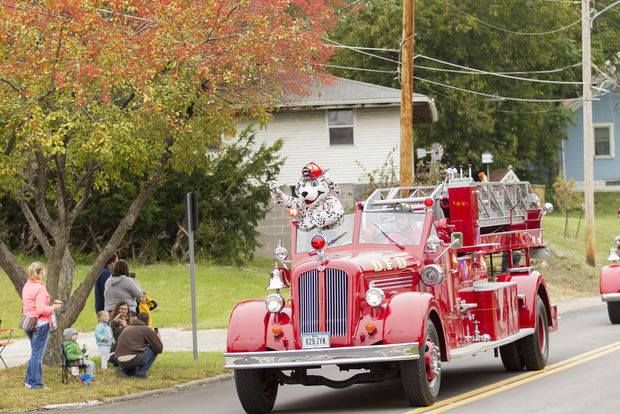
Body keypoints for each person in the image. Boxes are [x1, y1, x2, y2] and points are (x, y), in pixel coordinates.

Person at [21, 262, 62, 389]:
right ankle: (36, 383)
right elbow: (40, 309)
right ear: (40, 272)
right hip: (41, 324)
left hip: (29, 323)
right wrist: (53, 307)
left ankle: (29, 381)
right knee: (38, 355)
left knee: (34, 353)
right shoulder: (40, 288)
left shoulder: (27, 285)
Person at [115, 313, 163, 378]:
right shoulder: (146, 329)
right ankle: (141, 373)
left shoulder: (127, 328)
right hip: (134, 359)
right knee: (153, 348)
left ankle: (125, 371)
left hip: (119, 360)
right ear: (148, 321)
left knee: (135, 353)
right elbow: (159, 349)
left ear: (137, 318)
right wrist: (158, 339)